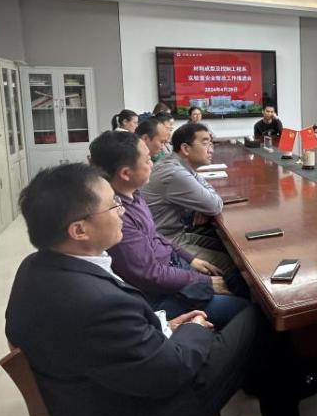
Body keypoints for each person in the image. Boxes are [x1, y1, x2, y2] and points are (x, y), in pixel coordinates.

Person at [5, 163, 302, 416]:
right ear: (79, 230)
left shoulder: (34, 267)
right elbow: (170, 371)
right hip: (151, 410)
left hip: (105, 385)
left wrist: (165, 326)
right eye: (113, 206)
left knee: (252, 330)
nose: (122, 212)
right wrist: (194, 329)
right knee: (261, 318)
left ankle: (270, 381)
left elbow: (108, 343)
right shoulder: (96, 303)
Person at [89, 131, 247, 328]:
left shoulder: (134, 195)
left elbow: (155, 234)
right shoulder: (117, 216)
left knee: (236, 278)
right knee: (245, 308)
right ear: (126, 173)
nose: (152, 164)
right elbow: (149, 274)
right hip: (164, 293)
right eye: (147, 160)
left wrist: (190, 259)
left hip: (174, 267)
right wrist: (203, 282)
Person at [141, 123, 234, 274]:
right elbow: (214, 205)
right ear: (185, 148)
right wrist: (204, 202)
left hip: (175, 234)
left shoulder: (176, 164)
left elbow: (205, 192)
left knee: (228, 248)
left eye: (211, 144)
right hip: (164, 243)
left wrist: (202, 203)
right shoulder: (174, 172)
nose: (211, 150)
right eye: (205, 143)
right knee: (233, 265)